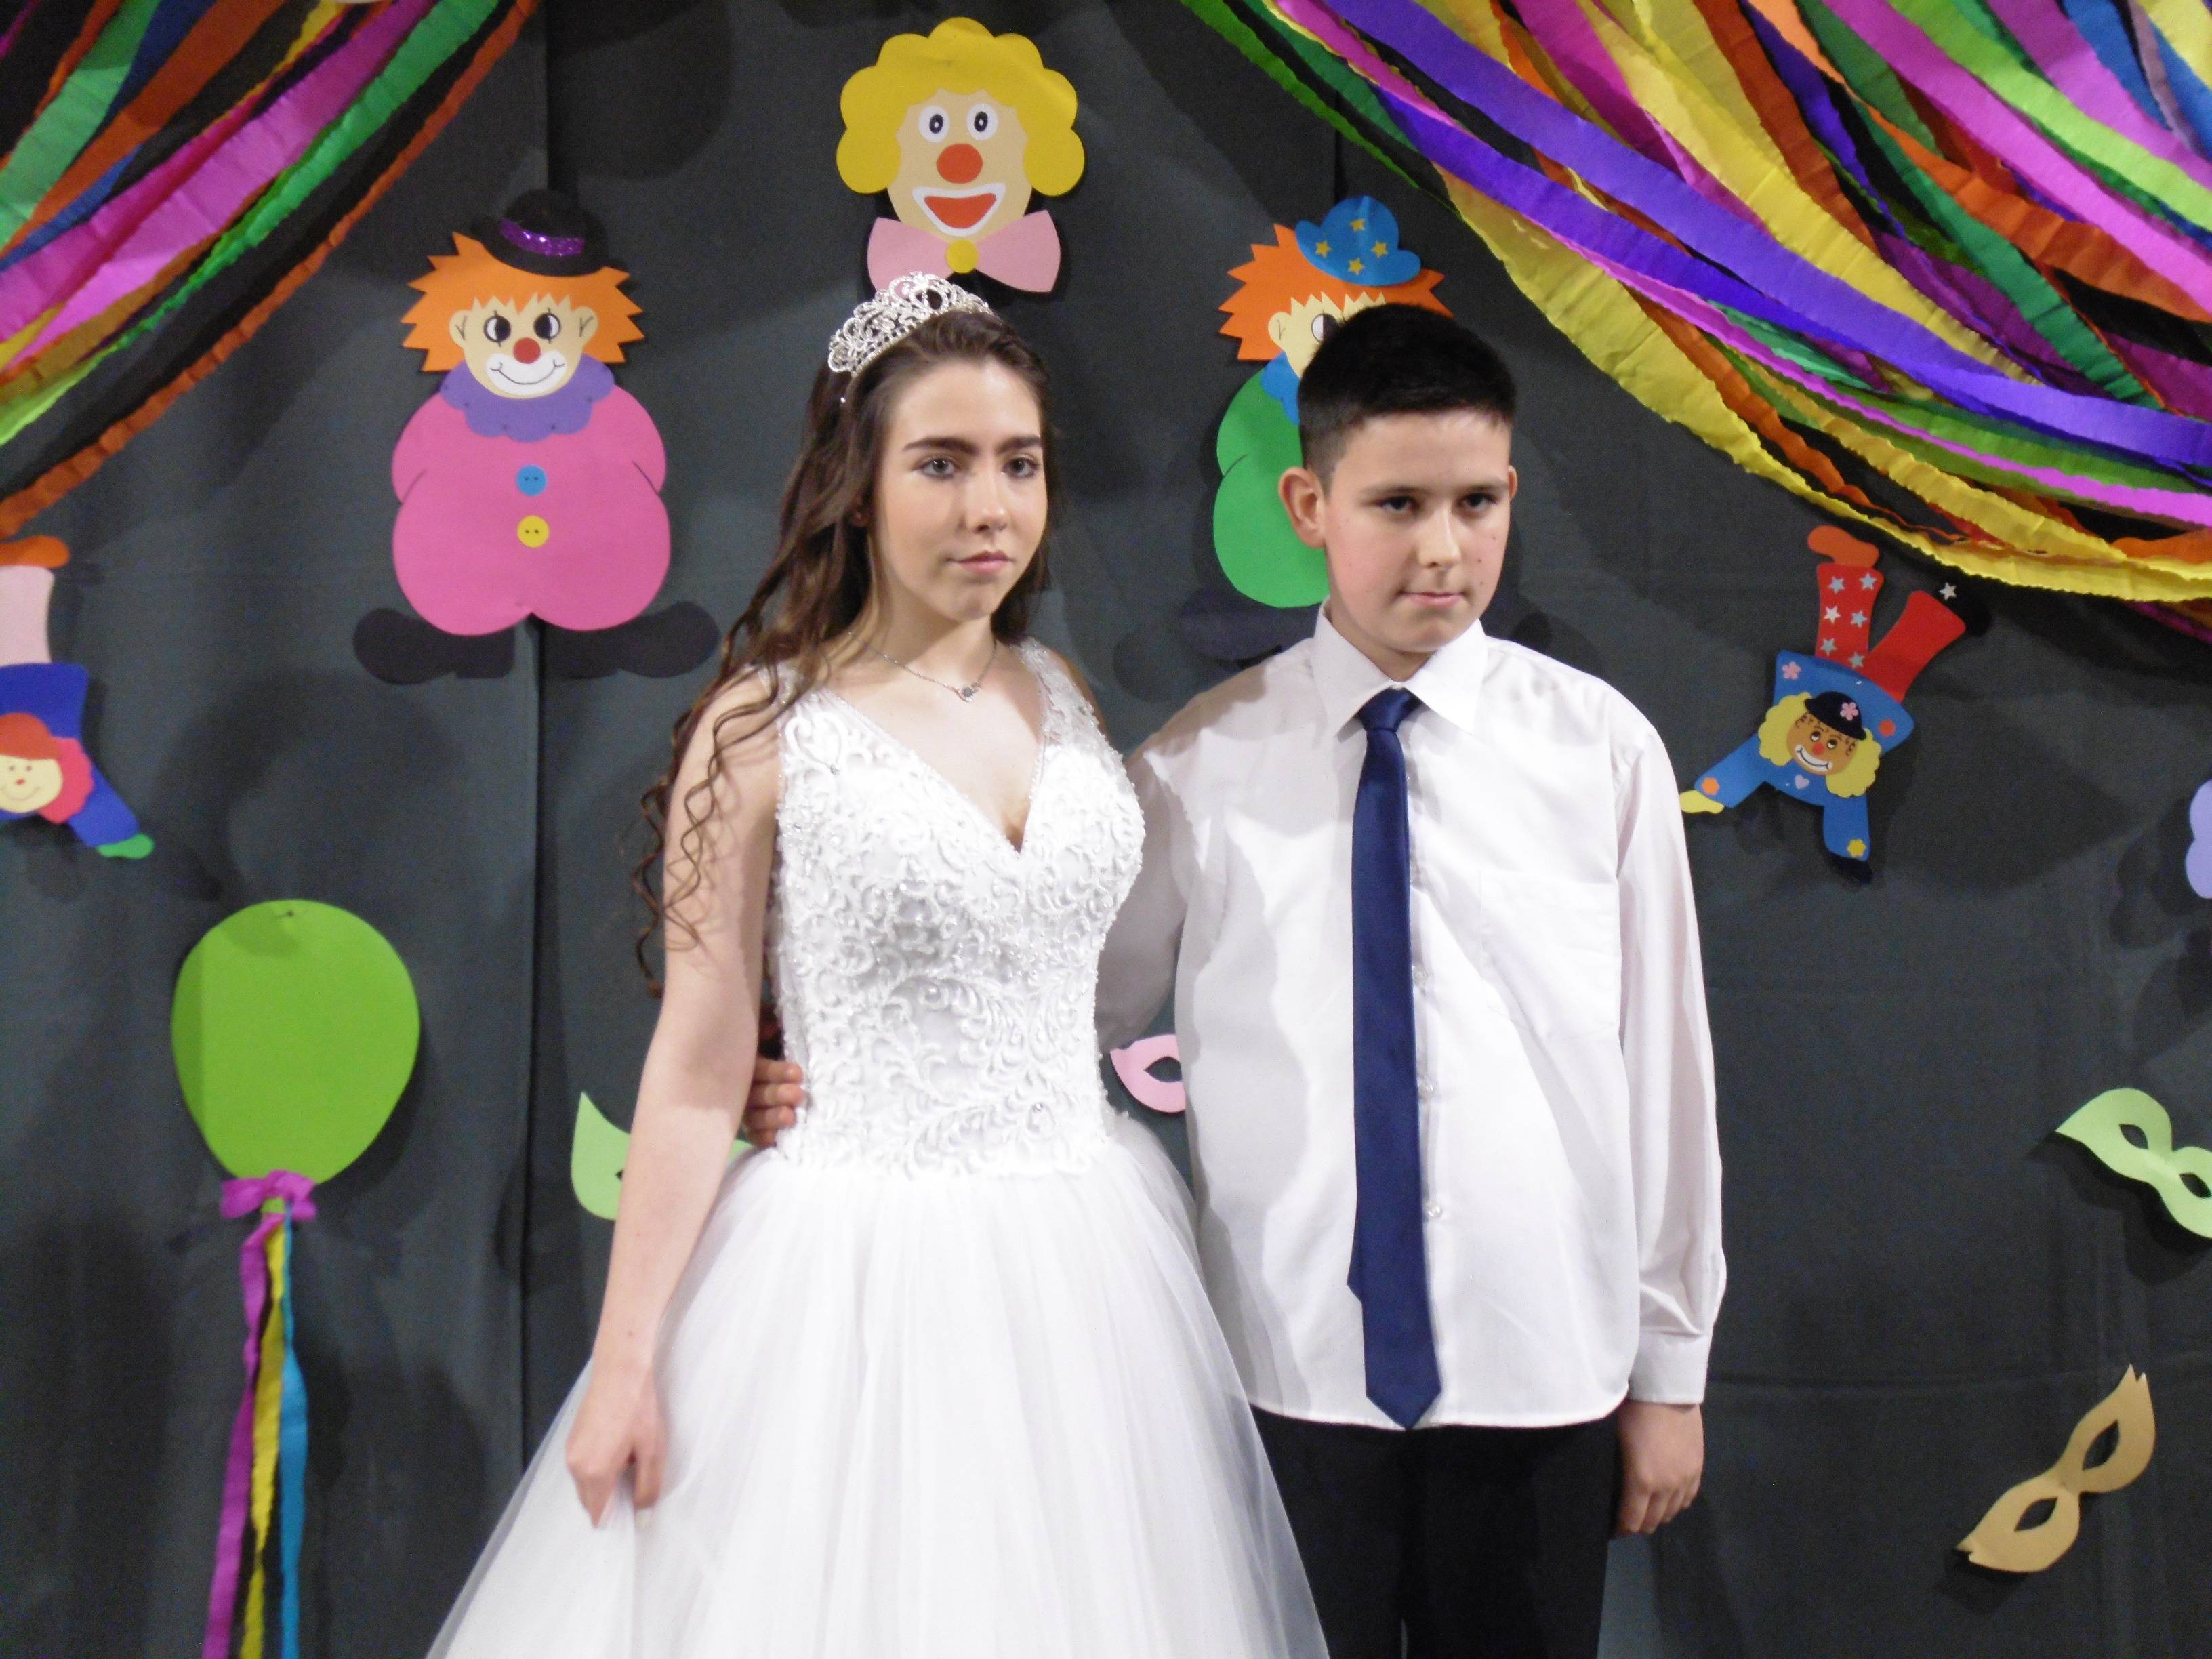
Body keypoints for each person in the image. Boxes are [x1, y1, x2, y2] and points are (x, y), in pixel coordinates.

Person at [747, 304, 1725, 1659]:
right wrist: (825, 1073)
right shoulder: (1197, 767)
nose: (1443, 548)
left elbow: (1667, 1080)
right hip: (1283, 1374)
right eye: (1397, 504)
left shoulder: (1601, 754)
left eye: (1477, 502)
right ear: (1309, 505)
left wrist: (1670, 1370)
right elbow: (1049, 1002)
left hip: (1541, 1362)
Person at [429, 272, 1325, 1659]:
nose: (989, 508)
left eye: (1019, 464)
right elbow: (696, 1066)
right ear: (858, 486)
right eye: (941, 464)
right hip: (848, 1280)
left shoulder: (1063, 696)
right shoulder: (760, 729)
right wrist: (624, 1362)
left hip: (1084, 1274)